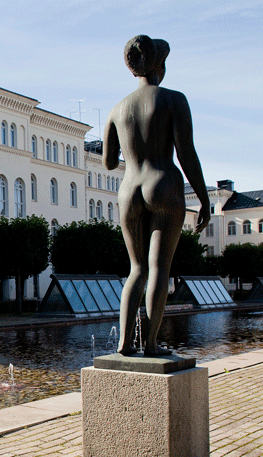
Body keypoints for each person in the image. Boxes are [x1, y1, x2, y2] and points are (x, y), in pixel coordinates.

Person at [103, 35, 210, 356]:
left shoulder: (117, 109)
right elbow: (186, 152)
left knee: (136, 270)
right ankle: (150, 344)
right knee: (159, 269)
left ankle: (124, 343)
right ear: (159, 66)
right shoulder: (173, 99)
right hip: (163, 184)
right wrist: (203, 198)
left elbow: (108, 163)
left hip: (128, 191)